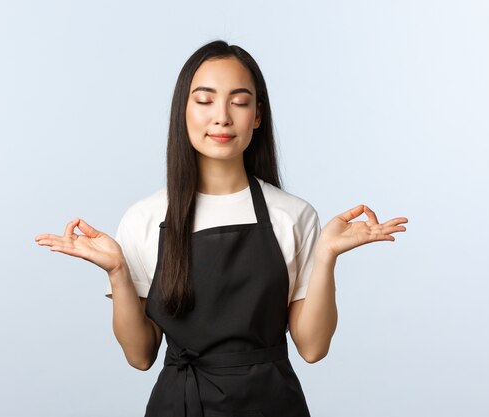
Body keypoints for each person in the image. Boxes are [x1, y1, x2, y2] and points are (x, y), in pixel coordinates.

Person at [35, 40, 408, 417]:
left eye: (239, 101)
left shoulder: (292, 215)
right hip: (179, 405)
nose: (222, 117)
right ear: (183, 111)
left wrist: (326, 256)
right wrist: (117, 271)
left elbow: (312, 348)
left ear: (258, 116)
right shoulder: (145, 217)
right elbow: (140, 355)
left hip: (272, 405)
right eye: (205, 100)